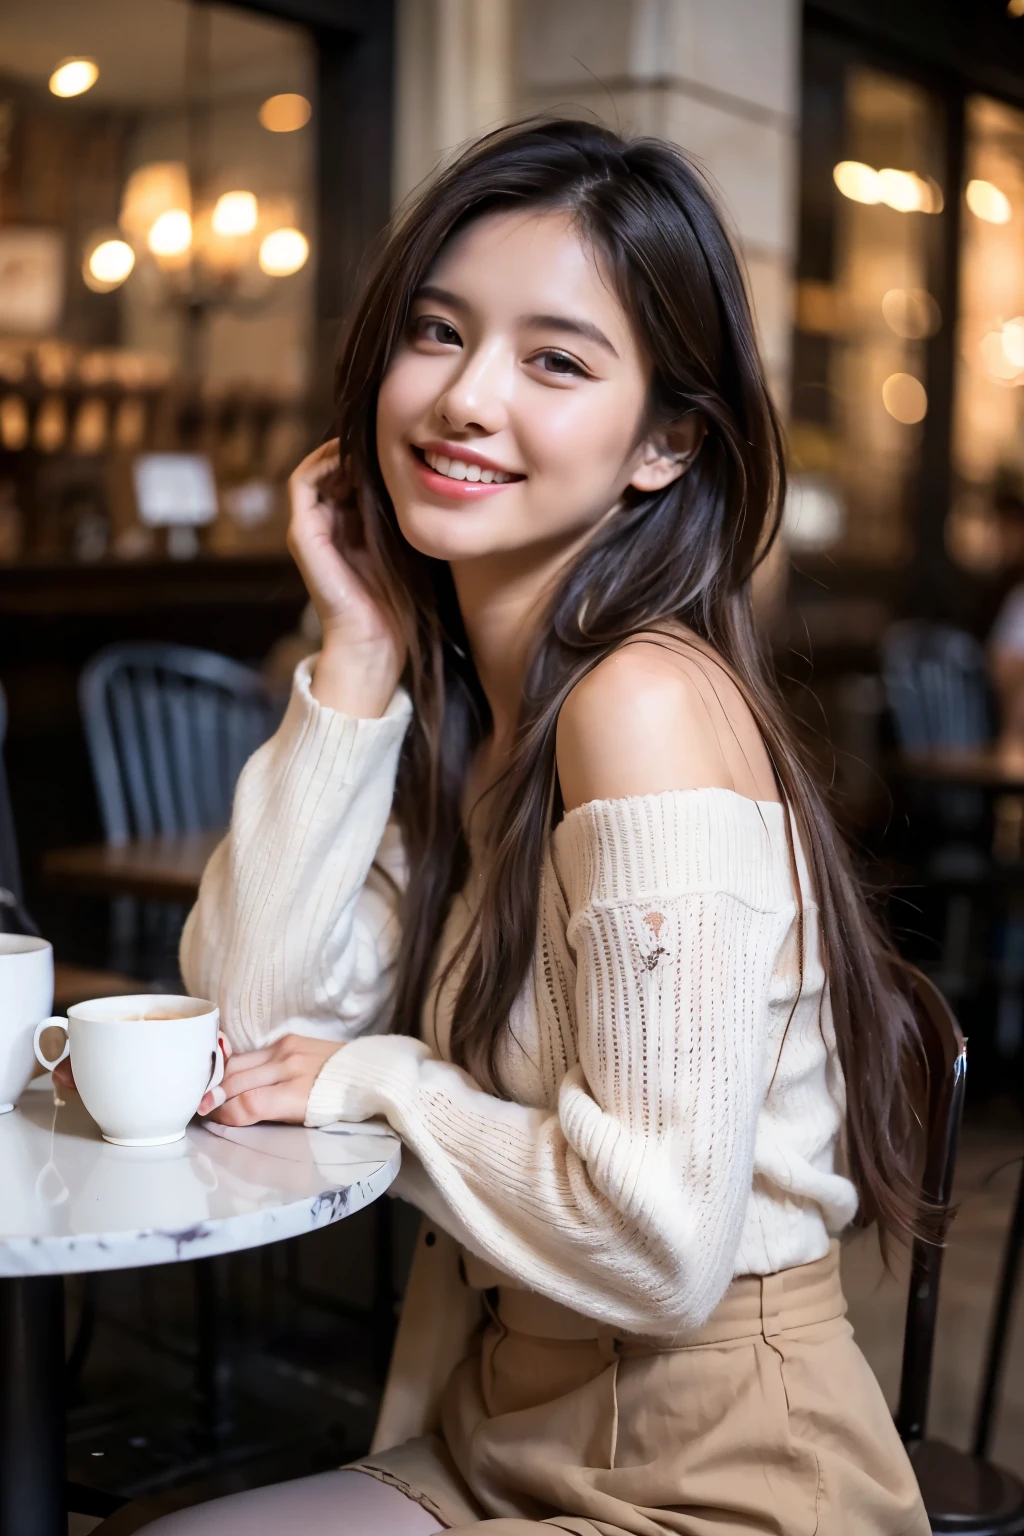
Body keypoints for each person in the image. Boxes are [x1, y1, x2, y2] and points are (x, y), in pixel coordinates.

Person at [115, 120, 931, 1533]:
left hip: (720, 1472)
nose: (464, 399)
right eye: (438, 332)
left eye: (556, 360)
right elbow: (243, 1036)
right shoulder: (473, 721)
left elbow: (663, 1246)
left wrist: (374, 1084)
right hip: (501, 1426)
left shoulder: (645, 703)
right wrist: (357, 652)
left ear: (668, 443)